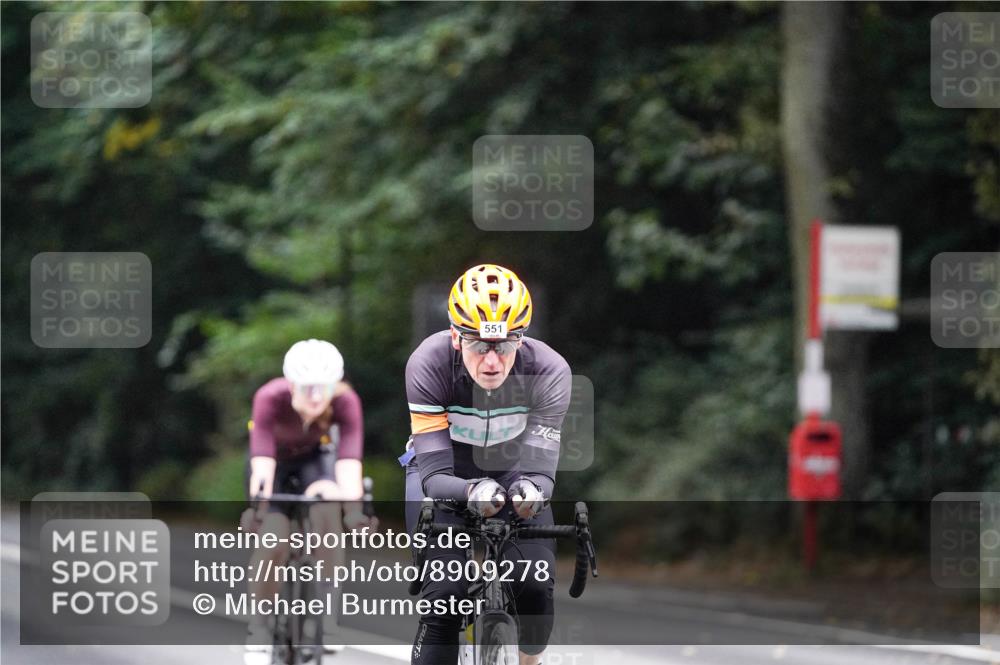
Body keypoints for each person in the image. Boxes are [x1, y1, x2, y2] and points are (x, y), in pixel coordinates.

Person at [401, 264, 572, 665]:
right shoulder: (428, 363)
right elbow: (435, 477)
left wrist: (531, 491)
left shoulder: (549, 370)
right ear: (457, 339)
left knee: (533, 584)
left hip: (515, 473)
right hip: (443, 475)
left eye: (504, 346)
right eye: (480, 346)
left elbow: (541, 474)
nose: (492, 361)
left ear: (521, 339)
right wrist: (471, 491)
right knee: (444, 595)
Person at [244, 339, 366, 664]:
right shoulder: (270, 397)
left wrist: (353, 512)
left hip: (316, 461)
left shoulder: (345, 401)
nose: (315, 396)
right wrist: (259, 507)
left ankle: (327, 618)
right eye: (307, 387)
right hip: (275, 464)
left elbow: (349, 463)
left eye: (322, 388)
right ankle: (258, 627)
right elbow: (263, 461)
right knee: (273, 539)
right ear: (292, 383)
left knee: (329, 513)